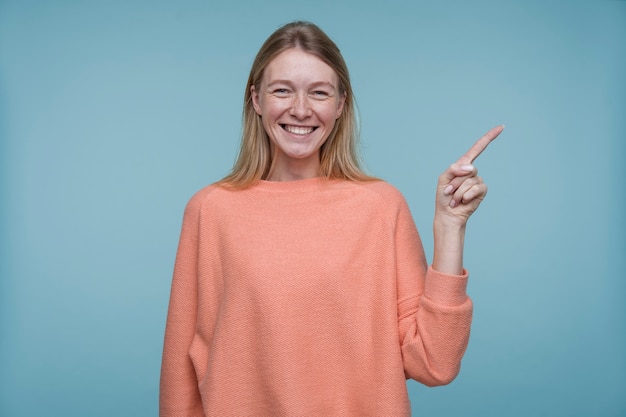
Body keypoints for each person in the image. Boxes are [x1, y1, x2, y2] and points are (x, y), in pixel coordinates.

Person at [159, 20, 503, 416]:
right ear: (256, 100)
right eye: (282, 90)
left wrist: (449, 227)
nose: (300, 109)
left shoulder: (380, 207)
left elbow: (434, 362)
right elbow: (179, 379)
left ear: (340, 105)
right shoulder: (210, 210)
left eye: (319, 93)